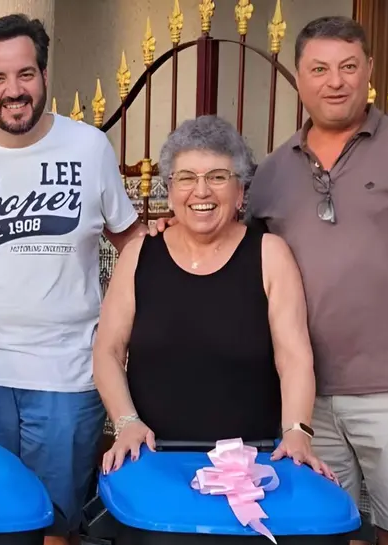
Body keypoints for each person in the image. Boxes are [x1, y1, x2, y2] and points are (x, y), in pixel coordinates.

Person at [157, 16, 388, 545]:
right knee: (328, 535)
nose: (335, 81)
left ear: (369, 70)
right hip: (301, 399)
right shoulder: (271, 173)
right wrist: (173, 225)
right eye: (320, 69)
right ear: (300, 77)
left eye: (348, 67)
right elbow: (226, 242)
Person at [0, 13, 146, 545]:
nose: (13, 90)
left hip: (67, 373)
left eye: (25, 74)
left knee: (56, 527)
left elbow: (131, 238)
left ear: (44, 76)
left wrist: (136, 324)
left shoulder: (89, 146)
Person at [94, 115, 334, 484]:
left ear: (240, 192)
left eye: (218, 177)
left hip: (251, 466)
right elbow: (107, 351)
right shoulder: (138, 255)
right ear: (169, 189)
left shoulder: (270, 255)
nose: (201, 191)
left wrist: (297, 431)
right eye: (186, 178)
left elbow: (294, 357)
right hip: (154, 459)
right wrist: (126, 422)